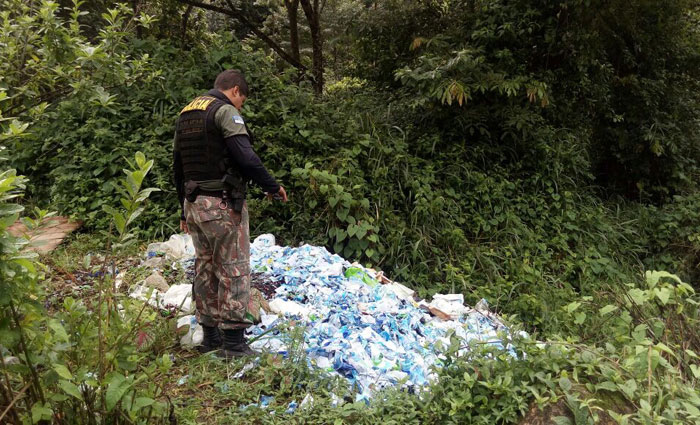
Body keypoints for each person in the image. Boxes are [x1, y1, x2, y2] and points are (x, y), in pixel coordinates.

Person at [173, 69, 287, 358]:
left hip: (193, 204)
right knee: (233, 269)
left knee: (205, 268)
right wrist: (272, 186)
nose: (240, 108)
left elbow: (178, 165)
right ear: (236, 90)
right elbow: (245, 156)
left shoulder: (187, 112)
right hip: (221, 205)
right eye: (242, 102)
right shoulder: (225, 112)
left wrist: (183, 210)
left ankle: (210, 338)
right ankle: (233, 345)